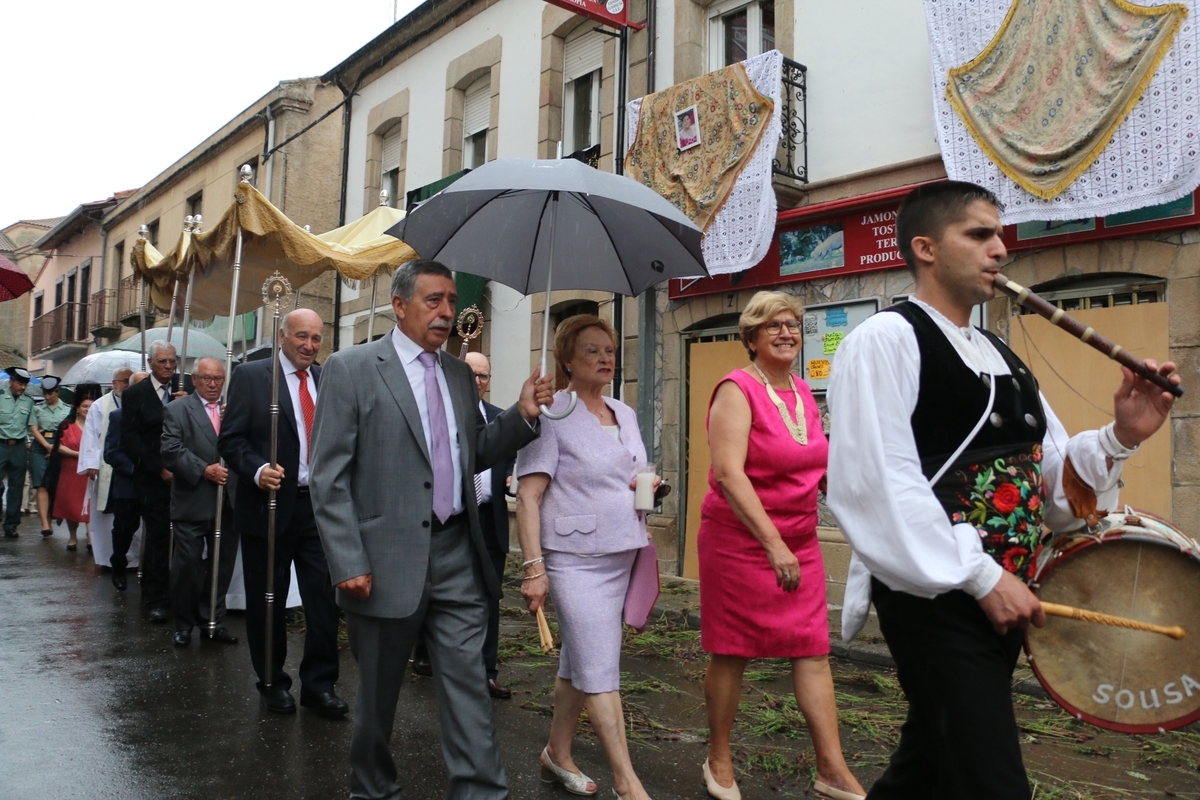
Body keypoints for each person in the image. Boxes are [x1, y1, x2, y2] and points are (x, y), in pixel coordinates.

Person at [826, 181, 1180, 799]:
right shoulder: (885, 339)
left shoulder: (999, 353)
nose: (1001, 250)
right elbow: (877, 482)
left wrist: (1123, 434)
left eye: (1000, 234)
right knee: (990, 779)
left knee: (933, 760)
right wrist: (984, 578)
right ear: (926, 248)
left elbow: (1052, 485)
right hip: (934, 595)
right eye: (980, 234)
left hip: (1006, 593)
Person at [310, 260, 552, 800]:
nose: (446, 312)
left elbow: (474, 454)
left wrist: (520, 415)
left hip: (457, 555)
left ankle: (482, 793)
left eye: (449, 300)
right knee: (377, 699)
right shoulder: (351, 368)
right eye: (433, 301)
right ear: (399, 306)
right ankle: (372, 790)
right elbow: (328, 476)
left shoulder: (460, 375)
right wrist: (348, 559)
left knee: (469, 688)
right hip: (381, 560)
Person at [696, 292, 863, 800]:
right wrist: (773, 545)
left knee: (813, 651)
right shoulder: (736, 389)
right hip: (740, 541)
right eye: (774, 326)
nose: (787, 332)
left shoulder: (800, 392)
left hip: (799, 540)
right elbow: (728, 473)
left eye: (793, 324)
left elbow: (822, 470)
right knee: (732, 651)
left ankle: (831, 769)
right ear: (751, 338)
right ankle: (719, 758)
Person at [515, 314, 661, 800]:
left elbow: (627, 473)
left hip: (623, 554)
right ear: (567, 361)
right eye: (592, 351)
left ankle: (557, 753)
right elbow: (530, 497)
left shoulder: (626, 411)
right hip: (573, 560)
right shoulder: (550, 412)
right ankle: (628, 781)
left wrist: (650, 487)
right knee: (600, 668)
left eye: (610, 350)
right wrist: (533, 568)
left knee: (580, 663)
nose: (605, 358)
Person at [219, 309, 345, 718]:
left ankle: (320, 685)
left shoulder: (327, 380)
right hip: (267, 508)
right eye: (301, 337)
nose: (309, 346)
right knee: (267, 600)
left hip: (317, 508)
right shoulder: (253, 377)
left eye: (316, 339)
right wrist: (256, 470)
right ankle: (272, 681)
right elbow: (231, 439)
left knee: (325, 601)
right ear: (282, 335)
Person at [411, 351, 517, 700]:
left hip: (490, 520)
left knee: (489, 597)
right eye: (471, 374)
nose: (477, 382)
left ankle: (486, 672)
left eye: (484, 376)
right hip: (451, 519)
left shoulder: (501, 418)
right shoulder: (441, 415)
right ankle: (426, 654)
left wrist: (513, 478)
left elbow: (511, 464)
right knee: (436, 589)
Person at [162, 357, 239, 647]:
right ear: (194, 380)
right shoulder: (177, 410)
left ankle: (213, 621)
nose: (212, 384)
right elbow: (170, 450)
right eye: (206, 378)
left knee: (222, 564)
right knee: (187, 565)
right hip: (192, 500)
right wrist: (203, 470)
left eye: (218, 378)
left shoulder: (232, 410)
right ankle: (183, 623)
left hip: (228, 501)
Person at [122, 342, 185, 623]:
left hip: (185, 478)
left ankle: (179, 594)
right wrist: (158, 468)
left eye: (172, 361)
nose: (168, 366)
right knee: (158, 537)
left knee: (182, 539)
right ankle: (155, 598)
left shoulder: (184, 392)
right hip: (152, 478)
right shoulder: (135, 394)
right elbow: (131, 439)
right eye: (163, 361)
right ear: (150, 363)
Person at [79, 367, 135, 568]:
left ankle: (133, 560)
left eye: (131, 381)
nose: (128, 385)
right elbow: (91, 436)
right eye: (125, 381)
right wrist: (92, 463)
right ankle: (105, 558)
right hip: (105, 466)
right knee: (105, 517)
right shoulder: (100, 406)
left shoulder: (140, 404)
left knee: (129, 519)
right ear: (114, 384)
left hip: (130, 469)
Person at [104, 372, 148, 592]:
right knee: (124, 528)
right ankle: (118, 562)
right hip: (128, 484)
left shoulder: (161, 414)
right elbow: (111, 453)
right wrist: (135, 469)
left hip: (153, 484)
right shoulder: (118, 416)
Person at [51, 389, 100, 552]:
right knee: (71, 505)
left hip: (91, 471)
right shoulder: (67, 425)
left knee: (90, 504)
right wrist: (80, 454)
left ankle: (90, 536)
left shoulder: (98, 425)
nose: (87, 409)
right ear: (77, 408)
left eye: (90, 406)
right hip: (71, 469)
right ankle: (72, 536)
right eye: (84, 406)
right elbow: (59, 447)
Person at [29, 376, 69, 538]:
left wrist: (56, 447)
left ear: (57, 392)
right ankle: (45, 524)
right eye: (45, 393)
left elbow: (68, 430)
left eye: (51, 393)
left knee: (57, 484)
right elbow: (34, 429)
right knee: (41, 485)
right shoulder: (37, 408)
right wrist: (46, 446)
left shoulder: (67, 409)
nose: (47, 396)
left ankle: (54, 512)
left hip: (60, 446)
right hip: (40, 446)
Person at [0, 367, 35, 538]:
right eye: (20, 384)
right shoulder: (0, 397)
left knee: (16, 487)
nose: (22, 388)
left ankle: (11, 525)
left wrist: (29, 443)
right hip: (0, 445)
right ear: (11, 382)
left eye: (25, 385)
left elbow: (31, 425)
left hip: (19, 447)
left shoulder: (28, 402)